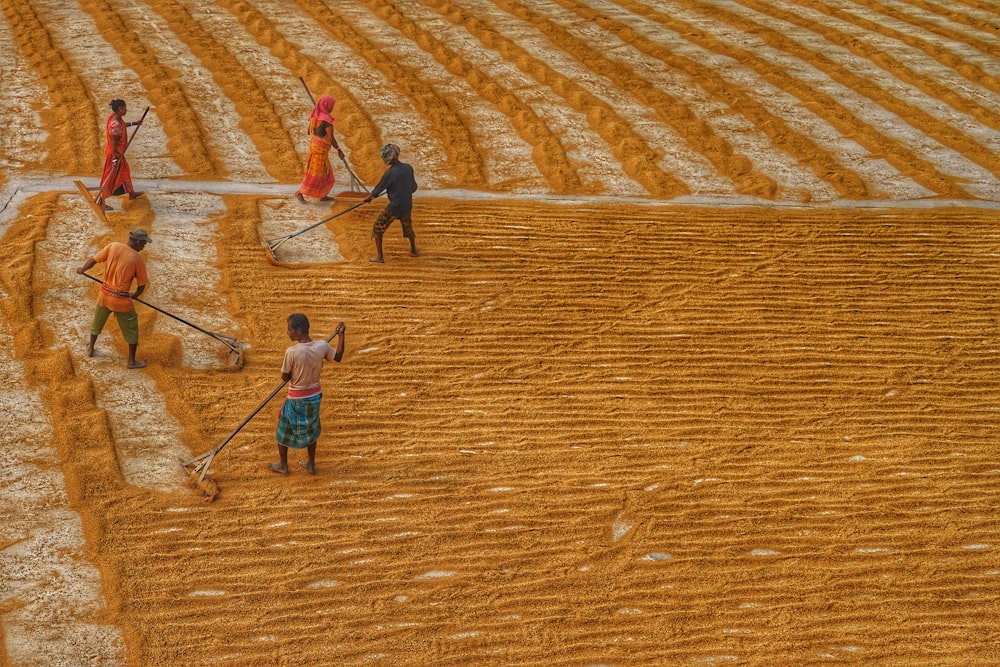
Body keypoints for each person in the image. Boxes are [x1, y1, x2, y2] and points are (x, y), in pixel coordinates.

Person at [269, 314, 346, 475]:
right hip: (314, 396)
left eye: (289, 329)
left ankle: (283, 465)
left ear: (298, 330)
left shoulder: (292, 352)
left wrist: (293, 373)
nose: (287, 332)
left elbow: (285, 376)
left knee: (283, 430)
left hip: (296, 399)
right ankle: (311, 464)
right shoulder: (322, 346)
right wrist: (341, 336)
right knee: (312, 429)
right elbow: (337, 357)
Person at [76, 228, 151, 369]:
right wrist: (134, 295)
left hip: (104, 295)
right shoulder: (136, 259)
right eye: (143, 243)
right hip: (121, 301)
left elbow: (93, 260)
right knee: (132, 329)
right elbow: (141, 285)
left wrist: (82, 269)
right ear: (138, 241)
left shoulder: (113, 246)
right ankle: (131, 361)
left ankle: (91, 348)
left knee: (97, 323)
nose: (144, 246)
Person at [364, 143, 418, 263]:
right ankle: (413, 250)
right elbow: (414, 187)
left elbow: (378, 189)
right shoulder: (408, 168)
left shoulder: (390, 173)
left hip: (394, 207)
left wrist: (369, 197)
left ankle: (380, 257)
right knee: (408, 227)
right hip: (407, 205)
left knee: (377, 228)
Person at [97, 99, 145, 212]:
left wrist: (135, 123)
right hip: (114, 155)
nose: (126, 110)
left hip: (118, 154)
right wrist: (114, 159)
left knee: (125, 171)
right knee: (109, 178)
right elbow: (114, 143)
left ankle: (131, 193)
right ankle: (100, 201)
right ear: (120, 109)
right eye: (125, 108)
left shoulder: (115, 118)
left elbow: (123, 125)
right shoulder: (115, 125)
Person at [295, 95, 344, 203]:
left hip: (314, 149)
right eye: (331, 106)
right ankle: (299, 193)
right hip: (320, 153)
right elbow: (331, 138)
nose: (332, 108)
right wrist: (339, 150)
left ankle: (322, 195)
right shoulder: (327, 121)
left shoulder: (313, 116)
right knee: (315, 176)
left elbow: (309, 132)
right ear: (327, 106)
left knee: (324, 174)